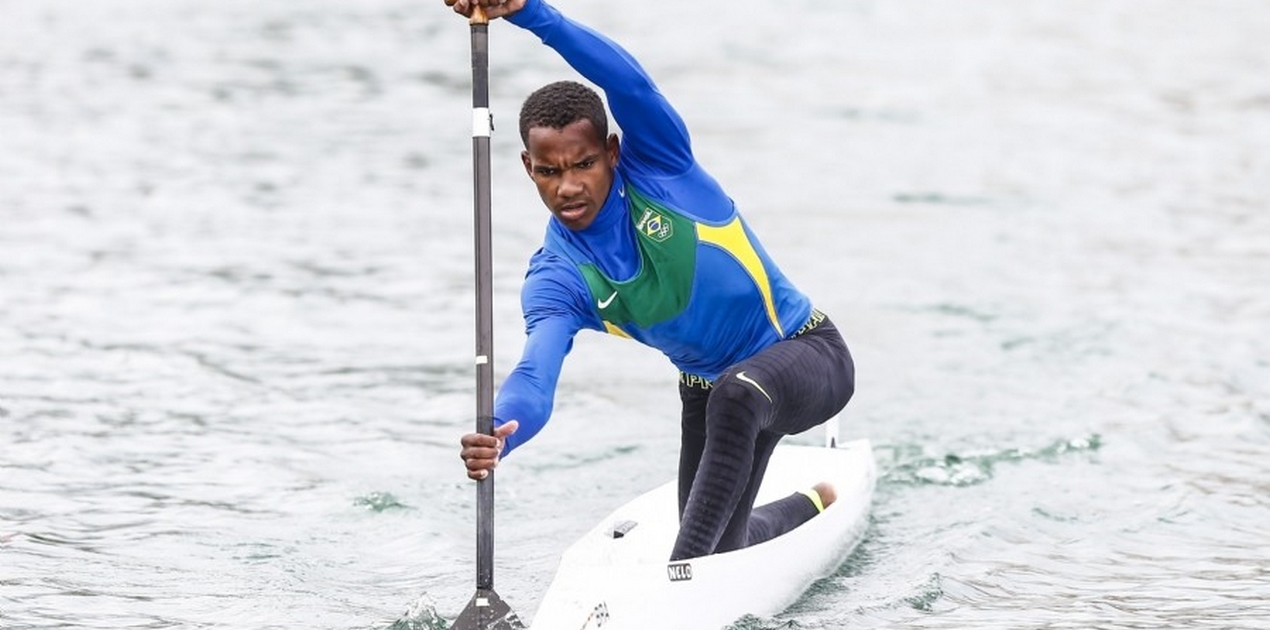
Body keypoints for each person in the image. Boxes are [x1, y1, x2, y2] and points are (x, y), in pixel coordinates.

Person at [449, 0, 855, 562]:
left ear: (611, 153)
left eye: (583, 164)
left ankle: (679, 583)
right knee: (721, 544)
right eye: (549, 171)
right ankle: (813, 503)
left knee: (730, 419)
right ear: (527, 167)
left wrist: (529, 11)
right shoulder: (558, 278)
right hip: (711, 391)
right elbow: (534, 374)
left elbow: (628, 83)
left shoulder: (662, 167)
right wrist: (500, 432)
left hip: (807, 355)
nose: (567, 187)